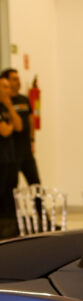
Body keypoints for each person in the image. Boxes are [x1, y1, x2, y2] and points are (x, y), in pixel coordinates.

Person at [0, 69, 40, 189]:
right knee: (11, 185)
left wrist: (32, 140)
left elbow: (28, 122)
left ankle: (38, 202)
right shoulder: (3, 104)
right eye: (14, 79)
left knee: (35, 183)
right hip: (11, 151)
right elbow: (6, 130)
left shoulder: (23, 99)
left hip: (26, 148)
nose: (18, 81)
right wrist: (13, 122)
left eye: (18, 78)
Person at [0, 76, 23, 239]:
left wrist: (9, 107)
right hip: (1, 160)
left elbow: (18, 126)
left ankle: (11, 229)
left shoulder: (6, 107)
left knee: (10, 194)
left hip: (10, 158)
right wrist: (10, 126)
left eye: (9, 87)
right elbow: (5, 131)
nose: (9, 90)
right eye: (5, 87)